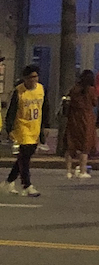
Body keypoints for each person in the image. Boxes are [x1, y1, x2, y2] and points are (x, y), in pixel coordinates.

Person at [4, 65, 48, 198]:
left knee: (24, 157)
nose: (33, 80)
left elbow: (45, 108)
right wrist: (9, 129)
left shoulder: (41, 89)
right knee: (24, 157)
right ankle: (27, 185)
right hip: (22, 127)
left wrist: (45, 126)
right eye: (30, 77)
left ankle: (9, 181)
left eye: (35, 77)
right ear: (25, 78)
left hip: (35, 127)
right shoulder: (19, 91)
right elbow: (11, 111)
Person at [62, 70, 98, 181]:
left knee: (71, 145)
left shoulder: (74, 89)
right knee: (85, 146)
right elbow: (95, 102)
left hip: (73, 118)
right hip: (86, 118)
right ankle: (82, 171)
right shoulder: (91, 90)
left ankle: (68, 171)